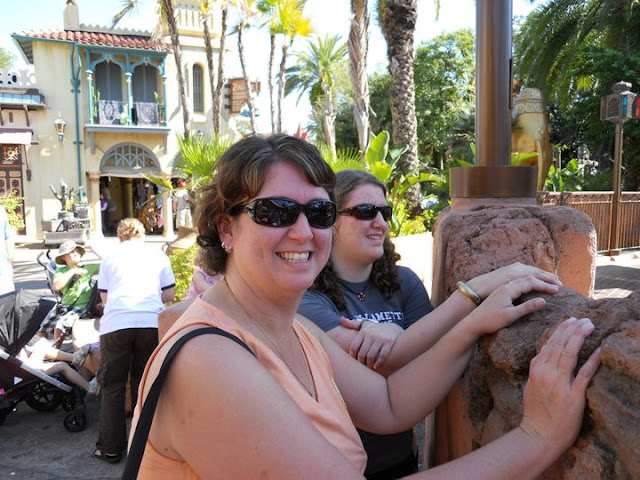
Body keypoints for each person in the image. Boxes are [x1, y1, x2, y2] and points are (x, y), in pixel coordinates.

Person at [128, 134, 601, 479]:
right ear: (225, 228)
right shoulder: (210, 358)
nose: (302, 231)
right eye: (275, 212)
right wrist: (537, 438)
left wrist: (477, 322)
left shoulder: (293, 328)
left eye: (318, 213)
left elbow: (390, 405)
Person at [298, 169, 433, 478]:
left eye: (385, 212)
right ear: (330, 220)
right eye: (365, 211)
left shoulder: (405, 282)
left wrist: (394, 333)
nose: (380, 223)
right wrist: (470, 302)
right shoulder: (306, 294)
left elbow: (428, 360)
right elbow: (370, 367)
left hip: (400, 460)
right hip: (334, 468)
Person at [94, 218, 175, 464]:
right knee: (146, 384)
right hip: (150, 322)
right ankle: (147, 448)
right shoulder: (157, 255)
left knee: (113, 385)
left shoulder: (110, 257)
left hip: (116, 324)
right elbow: (169, 294)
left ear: (120, 236)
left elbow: (105, 298)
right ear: (142, 234)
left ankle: (110, 448)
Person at [38, 240, 101, 344]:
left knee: (60, 326)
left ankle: (54, 351)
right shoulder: (61, 271)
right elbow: (56, 286)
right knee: (42, 328)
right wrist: (73, 271)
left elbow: (111, 263)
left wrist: (94, 251)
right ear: (64, 257)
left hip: (82, 307)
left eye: (77, 251)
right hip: (65, 306)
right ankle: (44, 347)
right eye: (72, 252)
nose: (76, 253)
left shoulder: (89, 267)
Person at [18, 336, 99, 394]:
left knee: (42, 345)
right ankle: (89, 387)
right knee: (62, 365)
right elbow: (23, 360)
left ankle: (75, 358)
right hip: (25, 370)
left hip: (22, 367)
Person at [0, 205, 15, 296]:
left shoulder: (1, 210)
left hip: (3, 270)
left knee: (8, 300)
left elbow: (8, 236)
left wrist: (11, 257)